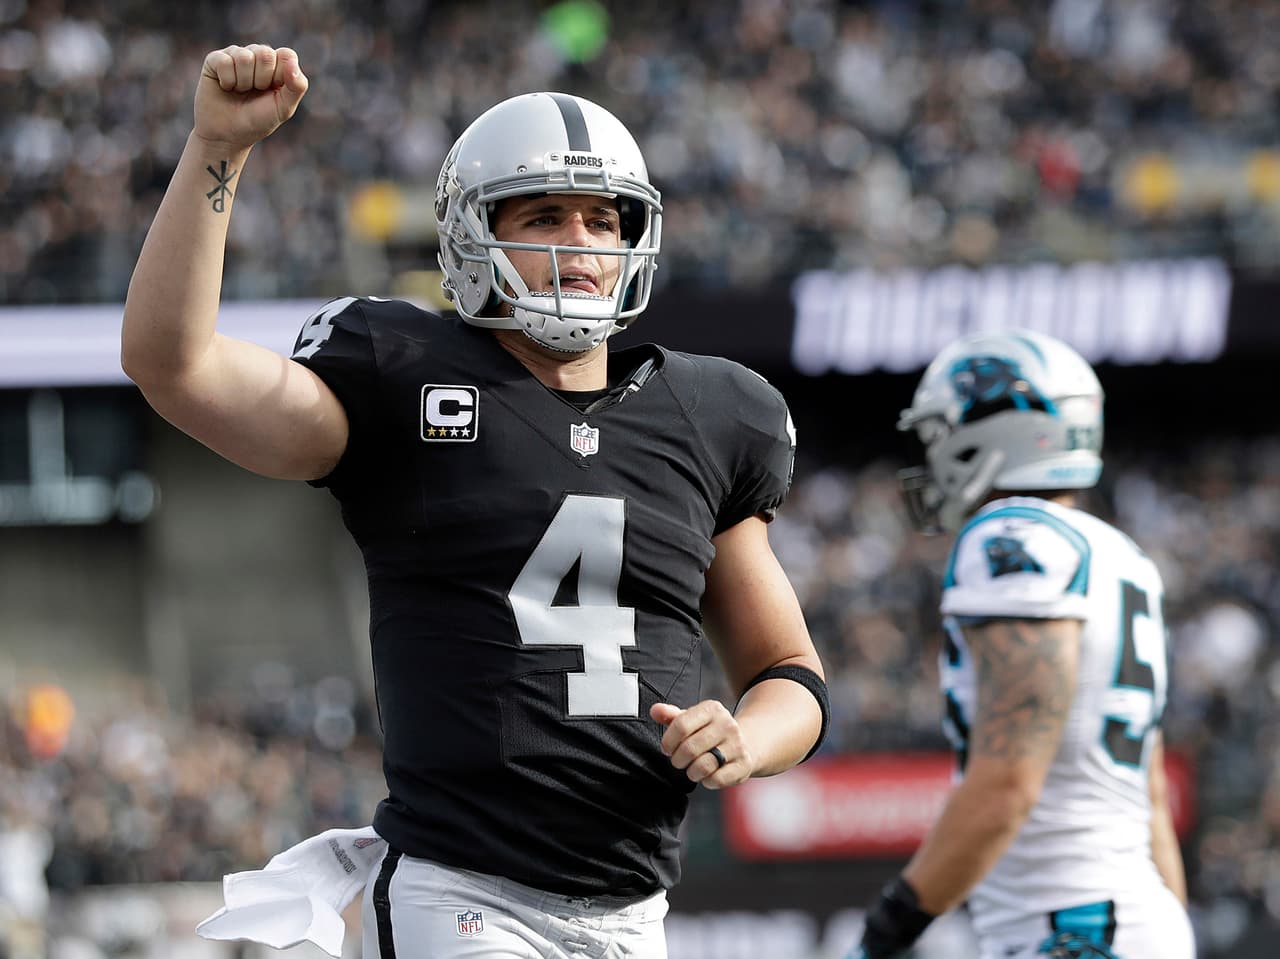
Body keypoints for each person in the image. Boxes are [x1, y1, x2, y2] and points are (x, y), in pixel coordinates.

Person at [120, 44, 828, 959]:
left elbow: (791, 672)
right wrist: (218, 149)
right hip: (464, 892)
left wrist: (748, 737)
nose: (578, 243)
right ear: (469, 235)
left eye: (602, 219)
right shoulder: (405, 372)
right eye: (541, 215)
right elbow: (173, 364)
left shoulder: (715, 413)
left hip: (635, 909)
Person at [850, 330, 1193, 959]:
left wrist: (883, 933)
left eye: (937, 437)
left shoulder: (1009, 540)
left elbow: (1009, 782)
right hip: (1128, 917)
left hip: (1073, 925)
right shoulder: (1119, 552)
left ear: (992, 433)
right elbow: (1152, 799)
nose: (931, 457)